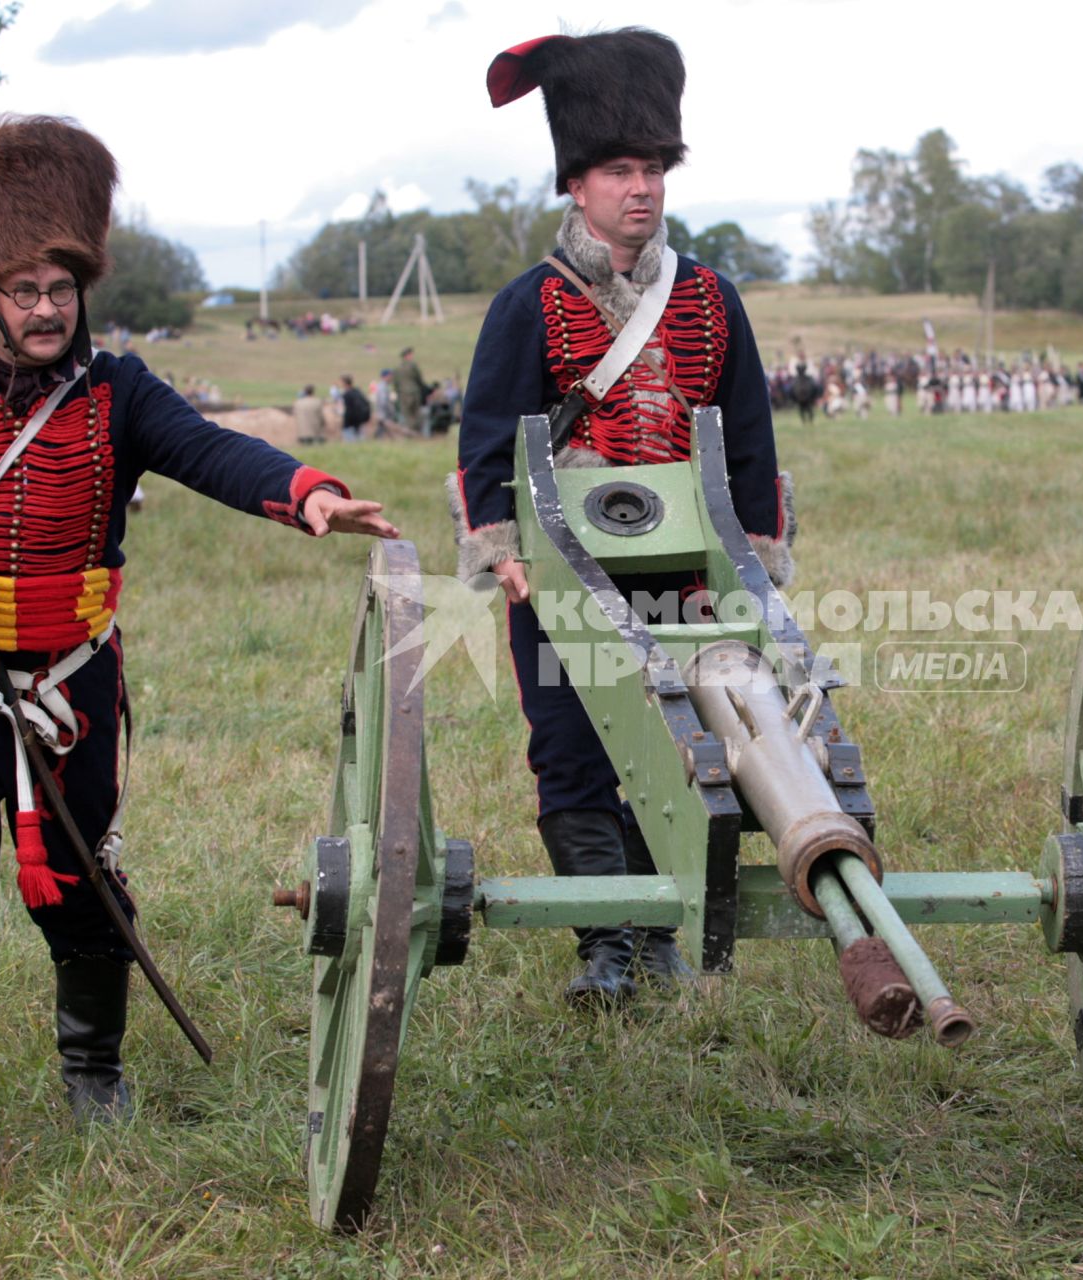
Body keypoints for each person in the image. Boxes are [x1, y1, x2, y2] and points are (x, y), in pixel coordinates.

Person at [0, 115, 398, 1170]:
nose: (45, 309)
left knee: (76, 880)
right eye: (24, 290)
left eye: (60, 289)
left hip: (67, 686)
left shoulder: (117, 390)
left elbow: (208, 450)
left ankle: (92, 1068)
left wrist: (306, 492)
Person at [448, 29, 792, 1008]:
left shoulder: (710, 300)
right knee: (571, 750)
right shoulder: (530, 305)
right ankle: (603, 944)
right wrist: (501, 550)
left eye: (651, 170)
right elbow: (485, 441)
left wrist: (755, 560)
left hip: (682, 576)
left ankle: (657, 937)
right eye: (617, 171)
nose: (638, 189)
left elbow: (750, 441)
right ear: (577, 186)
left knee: (678, 748)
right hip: (560, 577)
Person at [393, 348, 427, 431]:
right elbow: (419, 379)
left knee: (407, 414)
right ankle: (416, 431)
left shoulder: (398, 368)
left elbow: (395, 383)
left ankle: (410, 431)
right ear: (407, 355)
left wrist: (398, 392)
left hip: (403, 394)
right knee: (416, 413)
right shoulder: (413, 366)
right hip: (414, 392)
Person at [336, 373, 371, 440]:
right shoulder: (358, 392)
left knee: (350, 445)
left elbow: (341, 410)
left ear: (344, 382)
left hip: (349, 424)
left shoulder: (346, 395)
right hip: (360, 423)